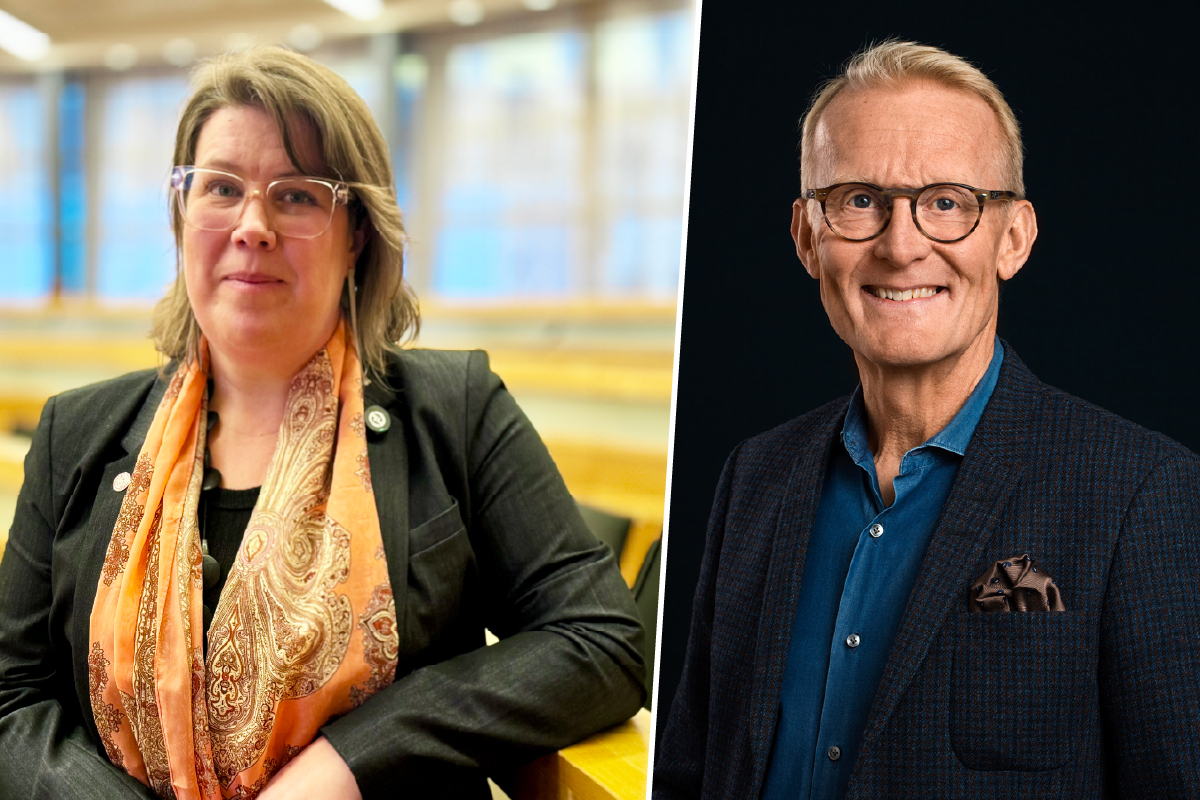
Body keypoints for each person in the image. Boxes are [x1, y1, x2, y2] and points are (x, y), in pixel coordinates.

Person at [0, 46, 644, 800]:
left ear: (358, 232)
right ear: (182, 215)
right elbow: (13, 699)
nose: (252, 224)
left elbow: (601, 638)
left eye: (298, 195)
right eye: (221, 188)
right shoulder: (75, 434)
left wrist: (351, 759)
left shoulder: (455, 410)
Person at [653, 40, 1200, 799]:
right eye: (858, 201)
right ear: (808, 238)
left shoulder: (1144, 494)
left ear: (1014, 238)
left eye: (947, 202)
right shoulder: (754, 475)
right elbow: (690, 771)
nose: (901, 245)